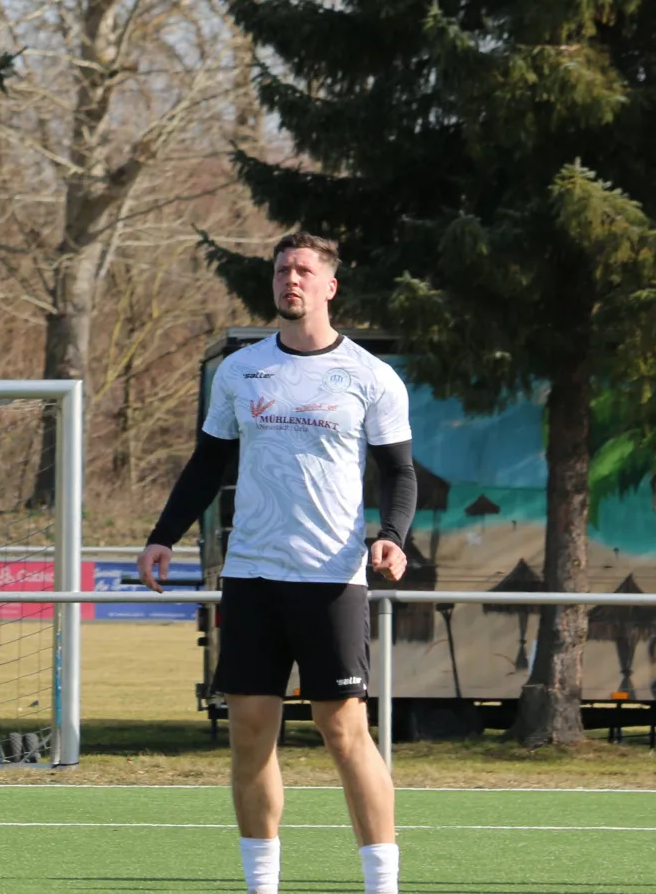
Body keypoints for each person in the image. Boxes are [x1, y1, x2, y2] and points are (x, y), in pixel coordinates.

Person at [137, 233, 416, 894]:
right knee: (250, 732)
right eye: (283, 269)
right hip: (252, 575)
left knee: (343, 729)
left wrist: (392, 535)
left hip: (330, 579)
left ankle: (382, 886)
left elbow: (399, 471)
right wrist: (162, 536)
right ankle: (262, 885)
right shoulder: (241, 371)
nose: (292, 279)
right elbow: (207, 463)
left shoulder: (371, 376)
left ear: (329, 286)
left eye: (304, 270)